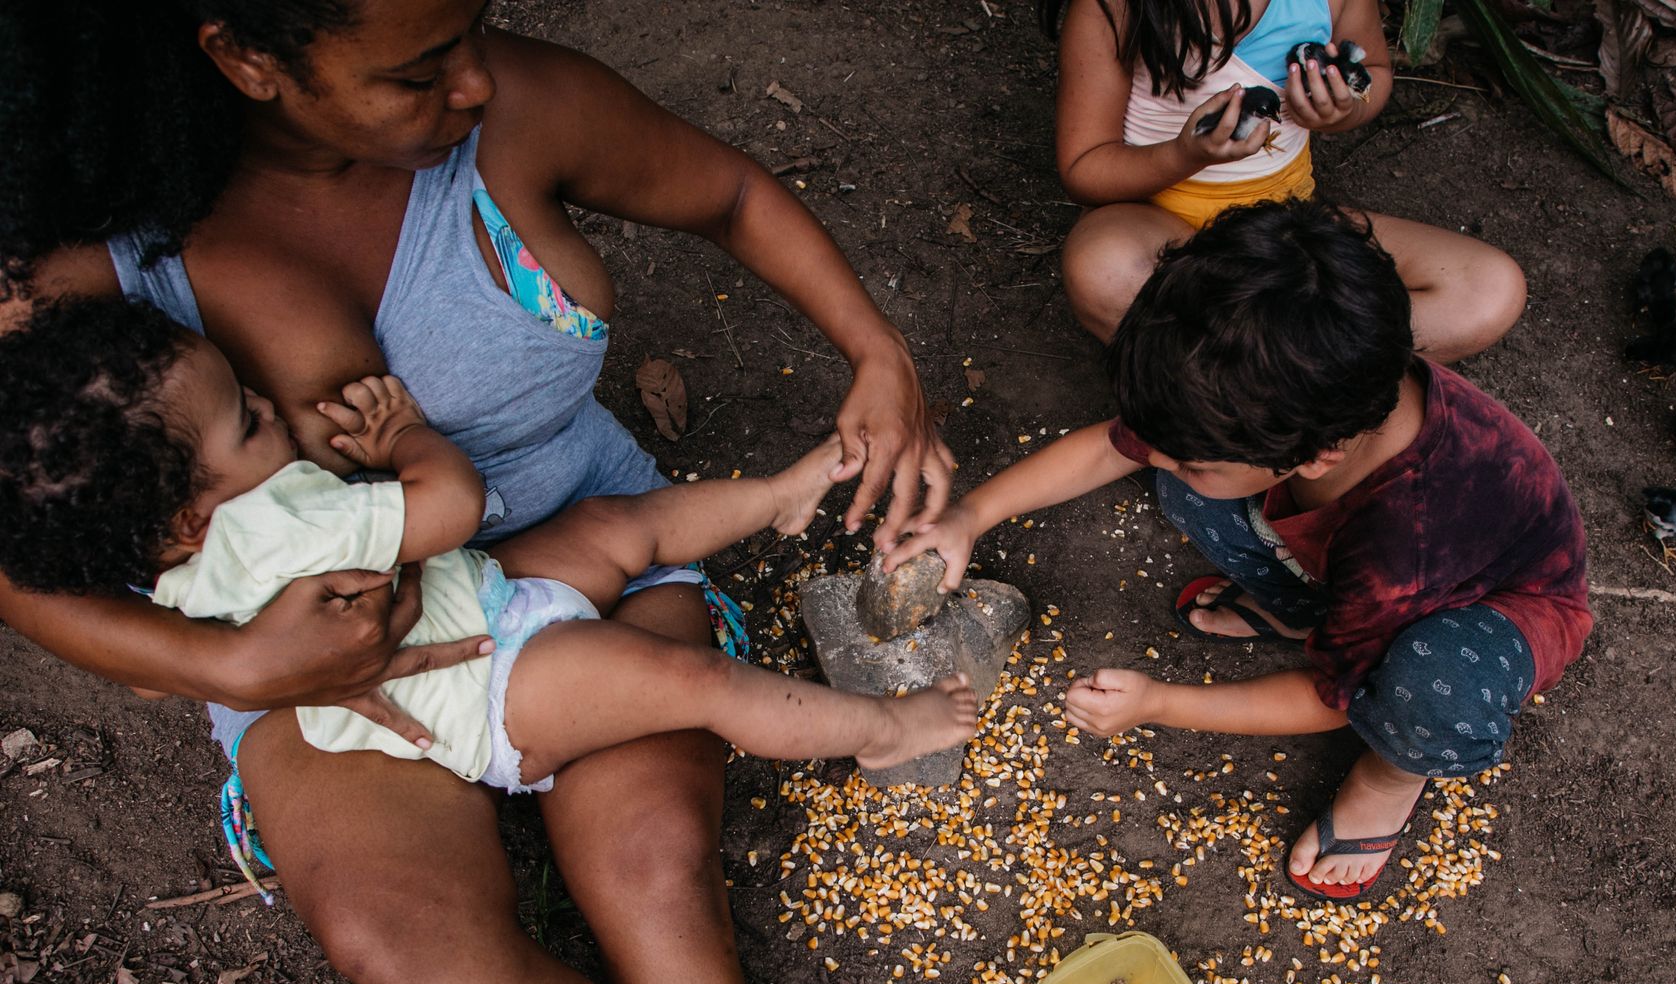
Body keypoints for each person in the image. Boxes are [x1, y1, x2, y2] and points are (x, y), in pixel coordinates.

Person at [0, 2, 945, 984]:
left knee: (652, 857)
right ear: (243, 57)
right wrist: (232, 664)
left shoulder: (519, 109)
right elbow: (22, 553)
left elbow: (728, 193)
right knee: (397, 932)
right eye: (416, 70)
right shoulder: (72, 258)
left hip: (586, 544)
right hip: (315, 668)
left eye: (473, 28)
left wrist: (876, 348)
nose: (474, 80)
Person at [0, 300, 978, 805]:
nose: (267, 407)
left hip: (484, 613)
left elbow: (149, 681)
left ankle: (779, 500)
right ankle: (881, 727)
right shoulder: (267, 521)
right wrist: (404, 439)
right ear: (190, 517)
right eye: (246, 421)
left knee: (614, 531)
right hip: (494, 689)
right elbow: (451, 507)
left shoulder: (184, 582)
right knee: (691, 672)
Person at [889, 201, 1590, 901]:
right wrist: (970, 516)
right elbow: (1115, 447)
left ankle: (1389, 781)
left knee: (1434, 686)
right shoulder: (1294, 394)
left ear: (1317, 455)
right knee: (1193, 491)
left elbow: (1328, 699)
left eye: (1195, 456)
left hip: (1494, 610)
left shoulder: (1404, 542)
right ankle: (1306, 611)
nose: (1159, 459)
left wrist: (1159, 703)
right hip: (1358, 563)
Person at [1044, 0, 1528, 360]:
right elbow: (1084, 169)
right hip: (1157, 222)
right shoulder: (1112, 8)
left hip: (1288, 227)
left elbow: (1375, 72)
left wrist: (1342, 110)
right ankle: (1310, 366)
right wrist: (1183, 155)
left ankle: (1250, 374)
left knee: (1487, 289)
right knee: (1104, 268)